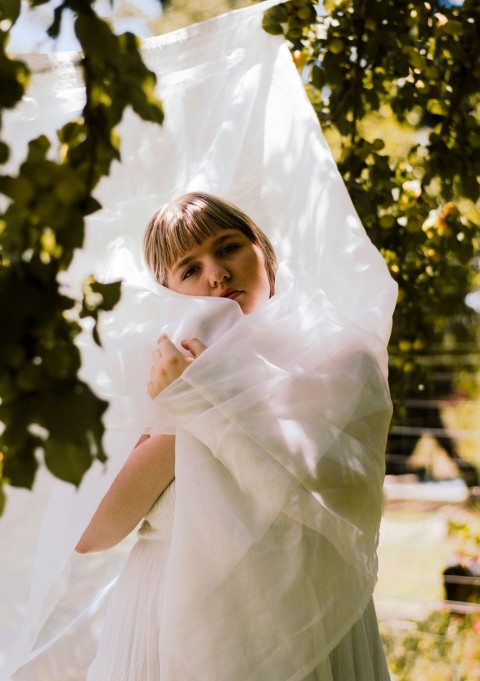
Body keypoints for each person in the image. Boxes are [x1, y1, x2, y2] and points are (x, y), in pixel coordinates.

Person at [77, 191, 393, 681]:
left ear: (262, 251)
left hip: (304, 620)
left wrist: (206, 398)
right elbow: (94, 533)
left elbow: (336, 497)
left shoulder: (341, 357)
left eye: (227, 249)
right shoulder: (158, 376)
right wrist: (188, 402)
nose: (216, 274)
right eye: (189, 269)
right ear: (169, 292)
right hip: (165, 618)